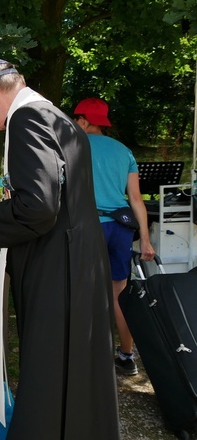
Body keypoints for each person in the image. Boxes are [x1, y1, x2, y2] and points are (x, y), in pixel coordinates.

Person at [0, 58, 119, 439]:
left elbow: (38, 206)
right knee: (77, 371)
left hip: (57, 267)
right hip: (80, 260)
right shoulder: (60, 117)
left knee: (49, 369)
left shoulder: (25, 119)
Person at [74, 97, 155, 376]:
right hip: (121, 229)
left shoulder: (74, 146)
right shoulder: (124, 151)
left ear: (84, 120)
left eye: (76, 119)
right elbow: (135, 198)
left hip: (89, 227)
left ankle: (85, 357)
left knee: (82, 291)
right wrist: (145, 239)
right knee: (119, 294)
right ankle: (126, 356)